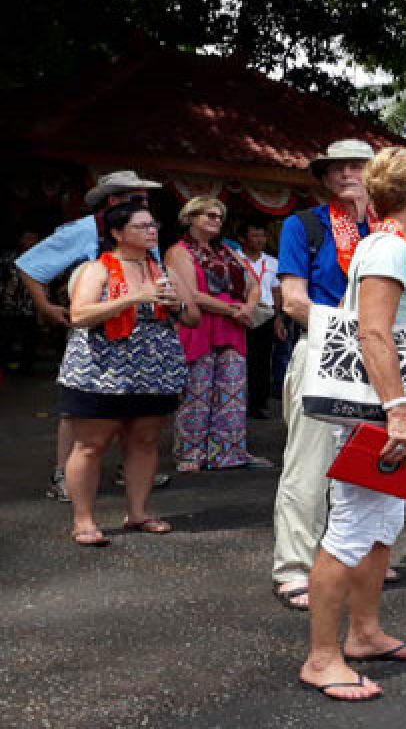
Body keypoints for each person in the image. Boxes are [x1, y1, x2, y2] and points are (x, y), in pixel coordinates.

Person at [297, 146, 406, 703]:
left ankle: (363, 634)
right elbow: (374, 334)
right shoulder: (388, 248)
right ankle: (321, 658)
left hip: (386, 411)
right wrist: (399, 412)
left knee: (381, 527)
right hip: (379, 414)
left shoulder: (398, 246)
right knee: (349, 533)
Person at [273, 139, 387, 610]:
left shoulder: (392, 228)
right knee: (310, 462)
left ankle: (363, 558)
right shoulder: (303, 225)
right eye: (337, 167)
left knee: (372, 460)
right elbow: (293, 300)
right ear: (324, 177)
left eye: (358, 165)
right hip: (326, 347)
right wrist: (357, 326)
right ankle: (296, 565)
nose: (347, 173)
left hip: (385, 355)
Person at [17, 171, 171, 502]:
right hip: (98, 333)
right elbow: (31, 264)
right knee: (83, 410)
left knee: (133, 412)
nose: (146, 207)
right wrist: (45, 305)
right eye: (138, 198)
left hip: (142, 339)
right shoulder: (85, 230)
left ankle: (126, 471)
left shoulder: (144, 232)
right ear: (114, 200)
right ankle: (64, 476)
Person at [58, 202, 198, 545]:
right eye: (142, 226)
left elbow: (193, 317)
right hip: (100, 372)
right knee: (91, 445)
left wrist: (176, 305)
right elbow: (79, 315)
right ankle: (84, 519)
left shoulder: (163, 269)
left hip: (154, 370)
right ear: (118, 233)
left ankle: (139, 512)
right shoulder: (98, 269)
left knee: (145, 441)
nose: (152, 231)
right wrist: (133, 297)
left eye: (154, 225)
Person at [166, 197, 269, 471]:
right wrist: (233, 309)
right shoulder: (179, 251)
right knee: (197, 393)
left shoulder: (227, 250)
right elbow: (191, 294)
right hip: (200, 324)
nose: (216, 221)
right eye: (210, 215)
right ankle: (191, 454)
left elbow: (254, 283)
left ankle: (228, 452)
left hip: (231, 323)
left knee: (232, 391)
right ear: (191, 218)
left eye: (220, 217)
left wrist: (248, 305)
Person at [239, 221, 285, 419]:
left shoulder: (273, 262)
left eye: (262, 236)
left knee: (262, 361)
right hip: (240, 314)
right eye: (254, 236)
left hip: (265, 315)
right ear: (242, 239)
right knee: (240, 360)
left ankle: (258, 403)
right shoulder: (235, 259)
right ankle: (238, 401)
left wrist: (278, 318)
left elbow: (276, 291)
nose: (260, 240)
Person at [1, 230, 41, 374]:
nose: (32, 241)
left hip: (30, 305)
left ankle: (26, 367)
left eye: (34, 238)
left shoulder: (41, 257)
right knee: (7, 336)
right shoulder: (9, 258)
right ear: (21, 241)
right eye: (28, 238)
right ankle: (5, 365)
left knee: (30, 337)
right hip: (10, 304)